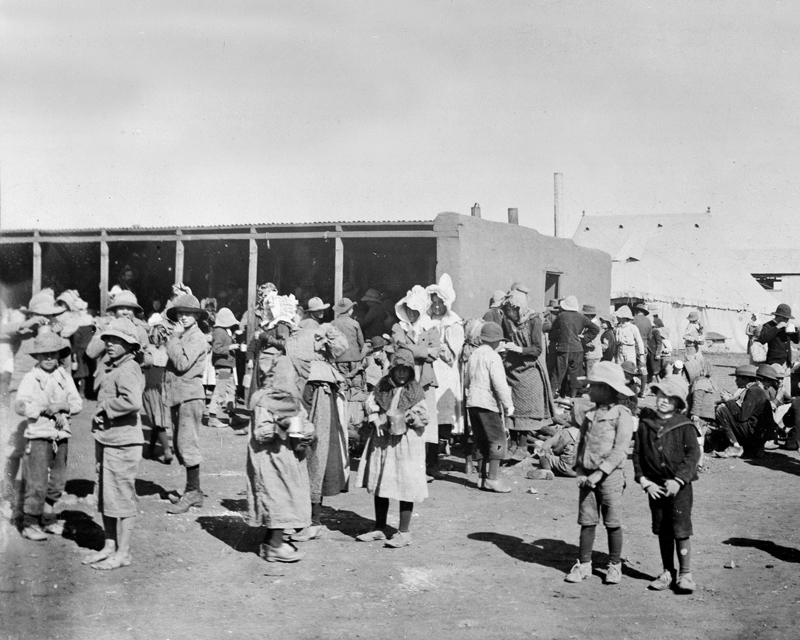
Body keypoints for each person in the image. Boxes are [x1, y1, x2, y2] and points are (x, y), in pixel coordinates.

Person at [82, 318, 145, 570]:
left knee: (122, 495)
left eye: (116, 340)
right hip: (108, 438)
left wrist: (106, 407)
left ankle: (124, 551)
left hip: (124, 442)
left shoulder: (129, 368)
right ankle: (109, 546)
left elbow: (132, 402)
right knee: (106, 494)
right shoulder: (112, 366)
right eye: (107, 339)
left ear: (130, 345)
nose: (109, 344)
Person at [564, 361, 634, 585]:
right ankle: (584, 564)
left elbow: (620, 450)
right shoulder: (590, 415)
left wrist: (599, 474)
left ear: (606, 389)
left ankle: (614, 564)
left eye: (593, 386)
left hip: (610, 478)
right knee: (587, 520)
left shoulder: (622, 415)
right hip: (588, 477)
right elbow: (580, 445)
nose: (589, 390)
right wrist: (581, 471)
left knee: (612, 522)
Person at [246, 336, 314, 563]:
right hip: (269, 459)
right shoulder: (263, 400)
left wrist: (307, 429)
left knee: (285, 496)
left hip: (288, 458)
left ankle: (270, 542)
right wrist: (279, 426)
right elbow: (260, 433)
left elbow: (303, 420)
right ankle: (274, 546)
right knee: (276, 498)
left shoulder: (291, 400)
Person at [356, 345, 429, 548]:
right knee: (382, 482)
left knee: (405, 484)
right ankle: (380, 527)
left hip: (407, 444)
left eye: (406, 370)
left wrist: (411, 417)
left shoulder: (415, 391)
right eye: (399, 370)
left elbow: (424, 417)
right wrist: (376, 419)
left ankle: (404, 532)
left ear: (411, 371)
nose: (402, 374)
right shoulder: (383, 386)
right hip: (383, 442)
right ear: (392, 370)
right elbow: (370, 403)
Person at [634, 376, 699, 593]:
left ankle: (686, 573)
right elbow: (638, 455)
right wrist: (645, 481)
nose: (663, 401)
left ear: (678, 404)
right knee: (663, 529)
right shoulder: (645, 425)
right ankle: (667, 571)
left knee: (680, 528)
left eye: (669, 399)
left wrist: (679, 479)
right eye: (661, 396)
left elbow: (692, 455)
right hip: (656, 487)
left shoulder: (684, 425)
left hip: (679, 488)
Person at [14, 333, 82, 540]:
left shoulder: (64, 376)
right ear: (37, 356)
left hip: (60, 436)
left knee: (59, 480)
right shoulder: (30, 377)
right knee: (37, 481)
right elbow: (21, 405)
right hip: (39, 435)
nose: (49, 358)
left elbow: (77, 403)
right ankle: (30, 522)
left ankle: (48, 517)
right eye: (44, 355)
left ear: (59, 355)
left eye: (53, 354)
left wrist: (62, 407)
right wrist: (44, 409)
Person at [286, 318, 349, 541]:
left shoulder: (321, 374)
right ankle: (300, 518)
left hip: (318, 398)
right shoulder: (293, 351)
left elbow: (341, 346)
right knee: (295, 452)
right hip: (297, 396)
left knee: (315, 455)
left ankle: (313, 521)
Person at [164, 294, 209, 514]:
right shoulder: (185, 335)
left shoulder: (196, 337)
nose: (183, 317)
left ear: (197, 316)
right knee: (182, 444)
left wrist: (173, 338)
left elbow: (181, 363)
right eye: (180, 313)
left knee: (187, 444)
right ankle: (194, 492)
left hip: (190, 396)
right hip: (180, 395)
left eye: (188, 313)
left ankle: (192, 493)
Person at [391, 286, 440, 479]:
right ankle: (404, 466)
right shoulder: (398, 327)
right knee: (404, 419)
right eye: (408, 309)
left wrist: (413, 349)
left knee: (423, 421)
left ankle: (421, 468)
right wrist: (423, 350)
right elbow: (399, 348)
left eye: (415, 310)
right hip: (405, 378)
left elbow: (435, 352)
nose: (411, 313)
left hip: (425, 380)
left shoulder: (430, 327)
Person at [501, 290, 554, 459]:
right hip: (512, 368)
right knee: (511, 409)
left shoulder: (534, 320)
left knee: (525, 410)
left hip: (529, 369)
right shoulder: (507, 320)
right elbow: (505, 337)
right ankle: (513, 445)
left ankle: (522, 446)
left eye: (512, 310)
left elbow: (537, 349)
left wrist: (520, 349)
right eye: (507, 310)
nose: (510, 313)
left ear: (520, 308)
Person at [464, 321, 514, 493]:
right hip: (488, 404)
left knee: (480, 439)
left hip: (472, 402)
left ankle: (481, 477)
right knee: (498, 441)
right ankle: (493, 478)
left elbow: (466, 381)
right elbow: (499, 384)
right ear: (495, 341)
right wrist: (508, 405)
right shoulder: (494, 357)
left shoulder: (473, 356)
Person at [426, 274, 465, 479]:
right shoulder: (428, 318)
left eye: (441, 303)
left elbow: (453, 354)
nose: (437, 306)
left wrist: (437, 347)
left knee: (441, 416)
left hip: (445, 374)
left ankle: (434, 461)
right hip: (429, 371)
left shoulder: (453, 323)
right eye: (435, 302)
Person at [331, 297, 369, 450]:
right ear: (350, 310)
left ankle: (343, 422)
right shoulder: (355, 324)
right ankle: (354, 424)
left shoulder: (333, 324)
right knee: (356, 388)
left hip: (338, 360)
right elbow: (361, 342)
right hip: (354, 360)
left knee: (342, 390)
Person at [714, 364, 775, 459]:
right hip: (761, 434)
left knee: (721, 410)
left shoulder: (753, 391)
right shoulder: (757, 390)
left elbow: (742, 417)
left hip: (755, 434)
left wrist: (728, 401)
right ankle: (756, 449)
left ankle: (735, 446)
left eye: (738, 378)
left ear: (745, 379)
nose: (735, 381)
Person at [549, 296, 599, 398]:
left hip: (563, 349)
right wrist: (585, 338)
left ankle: (551, 397)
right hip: (577, 349)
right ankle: (572, 399)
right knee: (575, 374)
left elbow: (553, 331)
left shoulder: (561, 316)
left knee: (557, 373)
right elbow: (595, 329)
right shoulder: (581, 317)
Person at [208, 308, 240, 429]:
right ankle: (212, 416)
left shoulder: (225, 331)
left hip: (228, 366)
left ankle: (232, 415)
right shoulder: (219, 332)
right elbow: (216, 349)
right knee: (221, 390)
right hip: (223, 367)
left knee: (231, 389)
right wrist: (230, 347)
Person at [613, 305, 646, 373]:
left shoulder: (633, 327)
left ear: (624, 317)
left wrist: (641, 355)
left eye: (619, 316)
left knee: (630, 369)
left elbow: (639, 341)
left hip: (629, 351)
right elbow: (616, 343)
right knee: (620, 370)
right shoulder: (618, 328)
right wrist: (614, 355)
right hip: (620, 351)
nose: (617, 318)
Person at [581, 304, 603, 378]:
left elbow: (593, 343)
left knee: (591, 376)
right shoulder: (595, 324)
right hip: (594, 355)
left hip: (592, 355)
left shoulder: (593, 325)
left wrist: (581, 339)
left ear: (588, 316)